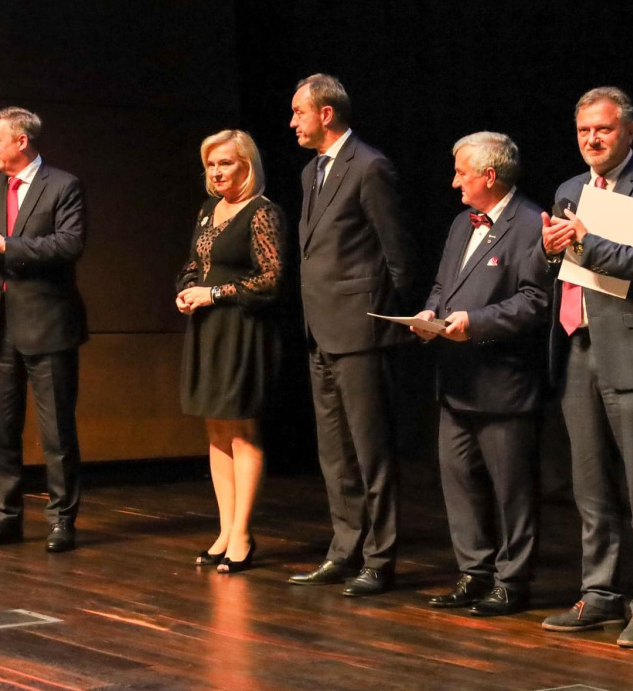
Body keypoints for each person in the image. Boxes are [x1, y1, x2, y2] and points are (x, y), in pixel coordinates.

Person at [539, 87, 633, 647]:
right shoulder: (568, 190)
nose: (592, 140)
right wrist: (549, 249)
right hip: (577, 346)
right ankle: (599, 591)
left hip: (630, 349)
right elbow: (559, 266)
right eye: (583, 131)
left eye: (602, 129)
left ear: (628, 131)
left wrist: (587, 241)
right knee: (590, 486)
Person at [412, 132, 550, 617]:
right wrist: (430, 314)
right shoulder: (460, 224)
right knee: (459, 482)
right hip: (456, 381)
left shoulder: (530, 223)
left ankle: (513, 581)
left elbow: (535, 301)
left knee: (512, 490)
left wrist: (476, 322)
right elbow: (442, 285)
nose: (454, 182)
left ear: (490, 176)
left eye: (461, 173)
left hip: (503, 382)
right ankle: (474, 573)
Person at [288, 74, 414, 597]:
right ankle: (344, 549)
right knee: (335, 453)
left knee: (371, 451)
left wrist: (388, 317)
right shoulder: (311, 171)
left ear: (326, 114)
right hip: (320, 328)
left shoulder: (369, 166)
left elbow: (397, 251)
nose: (292, 122)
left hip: (361, 329)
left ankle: (380, 559)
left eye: (299, 112)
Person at [0, 107, 87, 553]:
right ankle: (6, 517)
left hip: (48, 323)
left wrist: (6, 244)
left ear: (21, 141)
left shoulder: (63, 185)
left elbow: (69, 244)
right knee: (0, 431)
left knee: (56, 434)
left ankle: (62, 521)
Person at [176, 130, 285, 574]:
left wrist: (214, 293)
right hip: (208, 329)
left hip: (243, 329)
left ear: (247, 165)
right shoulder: (208, 210)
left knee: (241, 431)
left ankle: (242, 534)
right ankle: (224, 530)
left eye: (225, 163)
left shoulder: (262, 212)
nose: (217, 172)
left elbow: (272, 279)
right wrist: (187, 290)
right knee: (217, 432)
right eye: (211, 164)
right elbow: (194, 264)